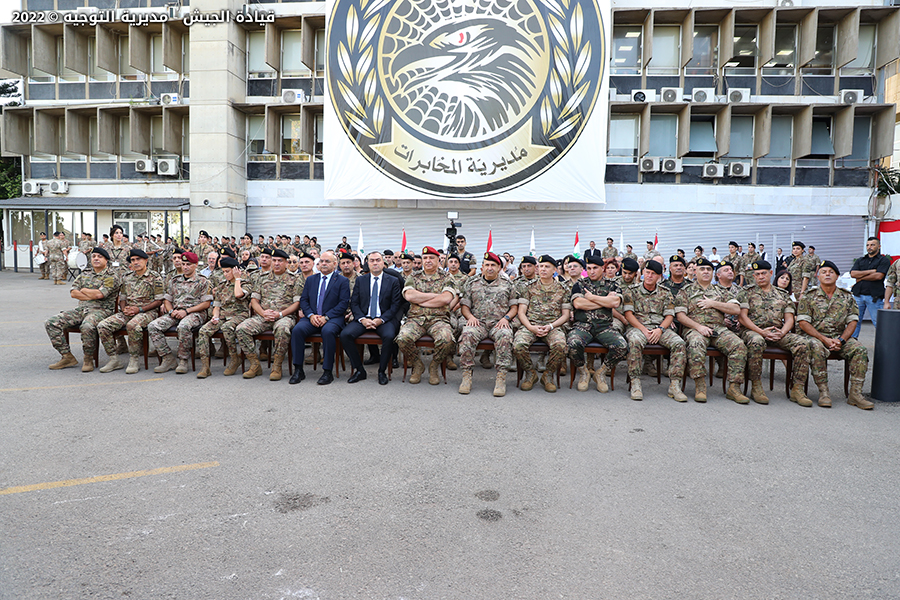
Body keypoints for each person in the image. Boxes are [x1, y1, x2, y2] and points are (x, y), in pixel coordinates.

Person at [797, 260, 872, 410]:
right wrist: (824, 339)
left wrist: (841, 340)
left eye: (831, 272)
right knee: (816, 347)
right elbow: (803, 323)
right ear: (818, 276)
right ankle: (824, 392)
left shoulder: (847, 296)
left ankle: (855, 394)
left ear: (837, 276)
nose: (827, 275)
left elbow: (853, 321)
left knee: (860, 350)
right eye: (823, 272)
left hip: (839, 338)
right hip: (816, 337)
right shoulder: (808, 296)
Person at [737, 260, 813, 407]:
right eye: (757, 274)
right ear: (754, 276)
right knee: (757, 341)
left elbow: (789, 319)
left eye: (763, 273)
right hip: (753, 331)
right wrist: (761, 332)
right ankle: (756, 386)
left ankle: (797, 388)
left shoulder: (782, 294)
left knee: (803, 343)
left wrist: (782, 333)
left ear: (771, 273)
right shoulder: (746, 292)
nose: (760, 276)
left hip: (777, 332)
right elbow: (742, 317)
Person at [674, 258, 750, 403]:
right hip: (695, 329)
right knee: (696, 344)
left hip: (718, 328)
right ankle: (700, 386)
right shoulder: (686, 291)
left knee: (738, 345)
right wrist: (699, 327)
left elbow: (736, 309)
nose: (706, 272)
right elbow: (680, 316)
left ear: (713, 273)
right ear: (695, 272)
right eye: (702, 269)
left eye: (709, 269)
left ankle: (734, 388)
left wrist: (713, 303)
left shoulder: (720, 291)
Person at [622, 261, 689, 401]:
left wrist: (660, 329)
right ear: (643, 273)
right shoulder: (631, 291)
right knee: (635, 341)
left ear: (659, 276)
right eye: (647, 272)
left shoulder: (665, 292)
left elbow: (669, 315)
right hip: (638, 327)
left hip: (659, 328)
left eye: (653, 274)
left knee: (679, 343)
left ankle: (675, 384)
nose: (649, 276)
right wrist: (644, 330)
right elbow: (628, 315)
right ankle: (635, 382)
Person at [45, 247, 120, 372]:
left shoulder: (111, 276)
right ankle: (67, 356)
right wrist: (91, 293)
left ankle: (88, 358)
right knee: (51, 322)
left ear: (106, 260)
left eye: (100, 257)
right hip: (82, 309)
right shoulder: (85, 274)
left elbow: (100, 295)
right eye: (94, 256)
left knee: (87, 326)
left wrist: (84, 290)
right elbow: (73, 293)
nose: (96, 259)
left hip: (102, 310)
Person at [457, 252, 518, 396]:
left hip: (499, 323)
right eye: (487, 265)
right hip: (478, 322)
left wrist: (506, 318)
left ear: (499, 268)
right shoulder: (472, 283)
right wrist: (470, 317)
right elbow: (465, 306)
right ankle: (466, 376)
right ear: (482, 267)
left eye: (493, 265)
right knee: (467, 334)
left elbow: (514, 307)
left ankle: (501, 378)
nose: (490, 268)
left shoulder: (508, 284)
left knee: (505, 336)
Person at [238, 249, 304, 380]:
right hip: (264, 316)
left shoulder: (295, 279)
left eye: (280, 261)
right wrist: (263, 313)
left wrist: (280, 314)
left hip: (284, 316)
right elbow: (254, 301)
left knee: (282, 329)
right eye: (274, 260)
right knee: (241, 329)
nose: (277, 263)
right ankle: (255, 365)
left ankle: (277, 366)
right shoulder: (262, 278)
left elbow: (297, 303)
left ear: (286, 263)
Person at [395, 246, 458, 385]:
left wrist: (420, 300)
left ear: (438, 260)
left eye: (431, 258)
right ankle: (418, 364)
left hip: (439, 319)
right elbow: (409, 296)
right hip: (416, 319)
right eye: (425, 258)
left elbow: (446, 299)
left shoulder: (447, 277)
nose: (428, 260)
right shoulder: (413, 276)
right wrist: (435, 296)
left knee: (447, 339)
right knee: (403, 338)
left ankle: (434, 365)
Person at [340, 251, 403, 385]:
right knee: (345, 335)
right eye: (372, 260)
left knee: (389, 336)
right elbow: (354, 303)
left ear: (383, 263)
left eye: (378, 260)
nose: (375, 263)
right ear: (367, 264)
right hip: (364, 318)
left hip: (384, 319)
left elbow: (395, 305)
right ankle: (359, 370)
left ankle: (382, 371)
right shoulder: (361, 280)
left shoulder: (393, 281)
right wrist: (362, 319)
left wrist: (381, 320)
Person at [96, 249, 164, 374]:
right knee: (103, 325)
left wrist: (140, 309)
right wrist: (124, 308)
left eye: (138, 259)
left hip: (147, 312)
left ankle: (134, 359)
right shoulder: (127, 277)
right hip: (128, 311)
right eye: (133, 260)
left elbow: (159, 301)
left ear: (146, 260)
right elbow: (122, 298)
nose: (135, 262)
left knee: (132, 325)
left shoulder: (155, 277)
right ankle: (113, 359)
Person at [567, 255, 626, 393]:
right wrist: (605, 301)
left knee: (621, 346)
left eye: (595, 268)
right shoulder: (579, 285)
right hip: (583, 326)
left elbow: (615, 303)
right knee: (573, 343)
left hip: (604, 327)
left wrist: (592, 298)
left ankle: (601, 373)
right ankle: (584, 372)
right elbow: (578, 304)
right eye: (589, 268)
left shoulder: (612, 285)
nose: (591, 271)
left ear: (602, 268)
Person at [289, 251, 350, 385]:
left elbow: (343, 303)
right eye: (321, 261)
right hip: (312, 317)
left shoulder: (342, 281)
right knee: (297, 330)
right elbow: (304, 300)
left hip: (332, 318)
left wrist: (326, 317)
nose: (323, 264)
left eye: (327, 261)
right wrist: (311, 315)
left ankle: (327, 371)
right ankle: (298, 370)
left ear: (335, 264)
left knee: (328, 331)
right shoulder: (311, 280)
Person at [148, 251, 212, 374]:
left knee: (184, 326)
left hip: (195, 313)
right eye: (183, 264)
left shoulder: (203, 281)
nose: (185, 267)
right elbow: (167, 300)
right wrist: (171, 311)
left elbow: (206, 303)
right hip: (176, 312)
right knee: (153, 326)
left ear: (196, 265)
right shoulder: (174, 280)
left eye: (188, 264)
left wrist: (186, 311)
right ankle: (168, 358)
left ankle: (183, 359)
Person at [196, 257, 250, 378]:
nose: (225, 274)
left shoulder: (245, 283)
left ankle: (234, 359)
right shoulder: (221, 285)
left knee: (227, 328)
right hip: (223, 316)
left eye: (228, 271)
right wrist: (215, 317)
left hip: (239, 315)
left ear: (235, 270)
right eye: (224, 272)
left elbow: (238, 294)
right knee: (203, 331)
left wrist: (237, 278)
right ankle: (205, 366)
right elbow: (217, 305)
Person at [850, 237, 891, 337]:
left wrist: (861, 277)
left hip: (874, 297)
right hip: (858, 295)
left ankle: (884, 343)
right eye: (868, 245)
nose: (869, 247)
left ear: (879, 246)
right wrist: (871, 271)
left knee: (878, 322)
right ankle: (852, 343)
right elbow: (853, 274)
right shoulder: (860, 260)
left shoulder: (883, 260)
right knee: (854, 322)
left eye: (872, 245)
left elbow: (879, 276)